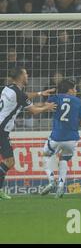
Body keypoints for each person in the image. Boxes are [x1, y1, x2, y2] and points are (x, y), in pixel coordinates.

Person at [0, 67, 56, 200]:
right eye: (25, 74)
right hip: (2, 129)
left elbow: (24, 97)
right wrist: (46, 107)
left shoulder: (8, 88)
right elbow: (34, 111)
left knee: (9, 161)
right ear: (20, 76)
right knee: (9, 161)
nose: (28, 75)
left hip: (2, 127)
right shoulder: (18, 94)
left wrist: (40, 93)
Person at [40, 79, 81, 198]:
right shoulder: (78, 101)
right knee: (64, 159)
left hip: (56, 137)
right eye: (75, 89)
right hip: (72, 138)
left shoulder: (55, 98)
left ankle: (51, 181)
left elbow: (44, 107)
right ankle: (61, 186)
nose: (76, 91)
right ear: (70, 90)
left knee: (46, 155)